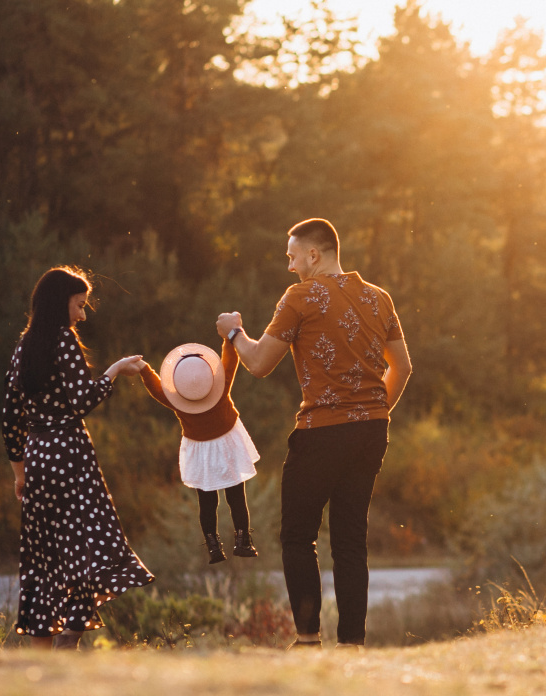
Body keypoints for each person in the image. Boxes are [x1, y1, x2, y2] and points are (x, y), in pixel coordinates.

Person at [215, 218, 412, 648]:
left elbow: (260, 363)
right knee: (349, 539)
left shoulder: (301, 296)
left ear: (313, 255)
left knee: (297, 536)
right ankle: (352, 645)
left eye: (291, 256)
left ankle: (307, 640)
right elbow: (404, 366)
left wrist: (233, 331)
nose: (289, 266)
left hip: (321, 431)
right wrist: (372, 412)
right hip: (372, 431)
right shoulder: (379, 298)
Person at [2, 266, 154, 650]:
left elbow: (10, 416)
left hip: (37, 458)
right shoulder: (62, 340)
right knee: (87, 545)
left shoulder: (24, 345)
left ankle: (42, 655)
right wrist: (117, 369)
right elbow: (83, 400)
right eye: (79, 306)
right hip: (69, 455)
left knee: (44, 556)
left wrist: (20, 473)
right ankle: (69, 636)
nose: (82, 315)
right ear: (60, 303)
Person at [137, 341, 260, 563]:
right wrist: (228, 339)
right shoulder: (220, 388)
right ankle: (243, 542)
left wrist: (145, 369)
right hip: (227, 445)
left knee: (207, 502)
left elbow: (157, 389)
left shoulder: (179, 400)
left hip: (200, 450)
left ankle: (213, 547)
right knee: (236, 497)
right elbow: (230, 362)